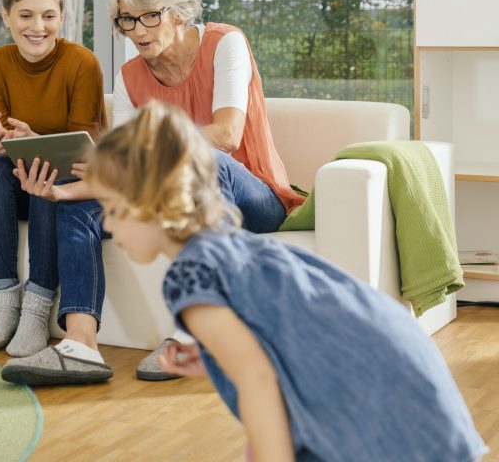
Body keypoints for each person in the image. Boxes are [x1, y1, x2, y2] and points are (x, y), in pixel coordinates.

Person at [96, 101, 485, 461]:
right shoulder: (235, 249)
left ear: (154, 204)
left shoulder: (190, 274)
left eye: (112, 209)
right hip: (400, 363)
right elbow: (269, 332)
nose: (106, 224)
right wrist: (212, 353)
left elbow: (258, 380)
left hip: (364, 396)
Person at [1, 0, 304, 385]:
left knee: (206, 162)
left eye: (150, 16)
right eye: (127, 20)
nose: (138, 31)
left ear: (178, 11)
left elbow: (226, 134)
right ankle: (81, 345)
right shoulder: (129, 79)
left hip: (252, 195)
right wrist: (63, 193)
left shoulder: (225, 44)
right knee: (79, 209)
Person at [0, 0, 106, 358]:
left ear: (62, 16)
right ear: (6, 17)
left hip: (72, 175)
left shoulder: (82, 63)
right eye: (26, 15)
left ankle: (36, 307)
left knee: (50, 174)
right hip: (17, 171)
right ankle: (4, 302)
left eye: (49, 16)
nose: (38, 27)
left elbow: (84, 146)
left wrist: (37, 141)